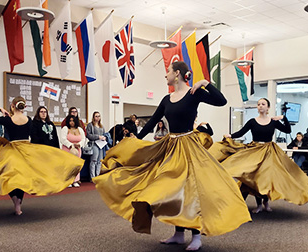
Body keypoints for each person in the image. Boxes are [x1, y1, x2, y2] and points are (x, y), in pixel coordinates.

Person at [93, 61, 251, 251]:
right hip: (171, 146)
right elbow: (153, 121)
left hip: (189, 148)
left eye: (167, 71)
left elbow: (221, 101)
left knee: (190, 190)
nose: (165, 75)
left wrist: (204, 82)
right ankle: (177, 233)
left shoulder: (195, 93)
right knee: (172, 189)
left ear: (177, 74)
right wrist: (137, 138)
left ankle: (196, 235)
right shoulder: (167, 99)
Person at [0, 97, 84, 215]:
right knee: (22, 178)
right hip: (26, 149)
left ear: (12, 106)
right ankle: (18, 204)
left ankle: (15, 200)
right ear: (24, 107)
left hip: (12, 151)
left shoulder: (8, 119)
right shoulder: (29, 120)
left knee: (10, 177)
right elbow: (33, 135)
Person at [223, 98, 308, 214]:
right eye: (258, 104)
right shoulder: (252, 121)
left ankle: (266, 202)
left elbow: (287, 130)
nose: (260, 106)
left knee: (266, 178)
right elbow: (241, 132)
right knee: (254, 178)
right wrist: (230, 135)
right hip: (254, 150)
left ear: (268, 107)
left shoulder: (273, 121)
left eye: (263, 104)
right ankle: (258, 205)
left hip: (268, 152)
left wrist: (284, 118)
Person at [61, 115, 86, 187]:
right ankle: (68, 181)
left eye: (73, 121)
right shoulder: (65, 129)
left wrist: (79, 144)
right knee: (69, 165)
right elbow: (63, 139)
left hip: (78, 150)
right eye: (70, 121)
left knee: (76, 165)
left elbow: (83, 139)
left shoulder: (80, 129)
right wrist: (71, 145)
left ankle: (75, 180)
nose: (72, 122)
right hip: (68, 149)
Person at [86, 111, 106, 179]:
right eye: (96, 116)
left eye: (99, 116)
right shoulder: (90, 125)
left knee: (100, 161)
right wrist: (97, 137)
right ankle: (92, 176)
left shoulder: (101, 126)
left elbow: (104, 134)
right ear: (93, 117)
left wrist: (104, 137)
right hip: (94, 143)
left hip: (101, 144)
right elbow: (88, 135)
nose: (98, 118)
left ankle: (97, 175)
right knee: (93, 160)